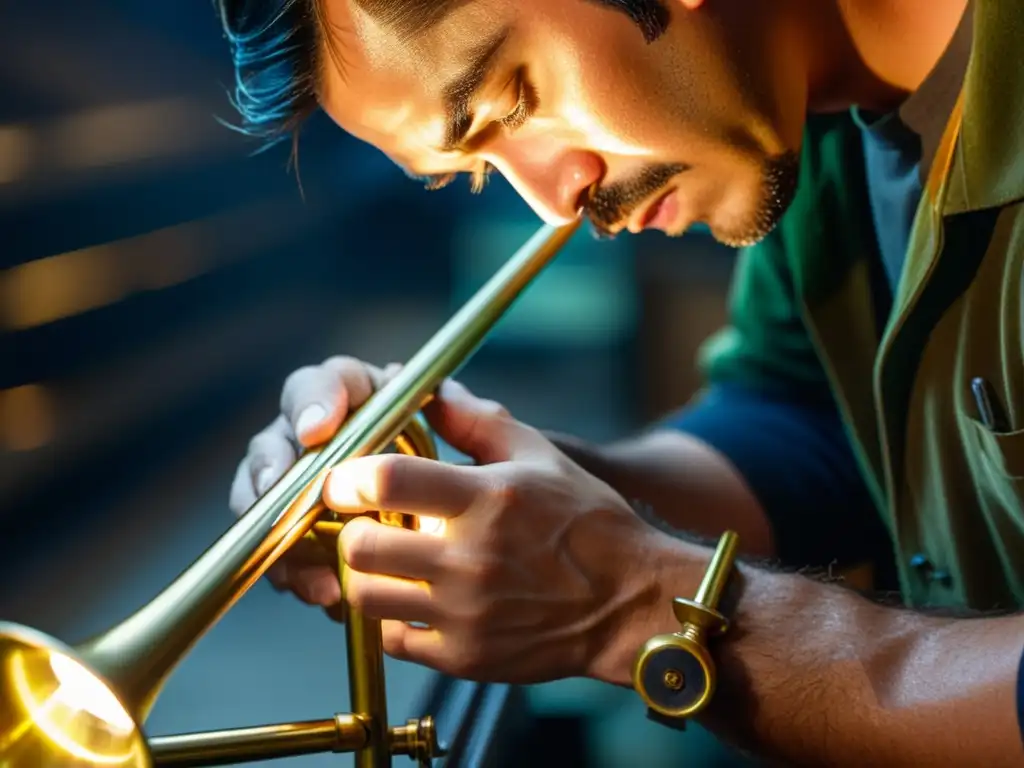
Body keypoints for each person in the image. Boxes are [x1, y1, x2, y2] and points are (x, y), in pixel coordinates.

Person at [217, 0, 1024, 763]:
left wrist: (637, 604)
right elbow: (810, 422)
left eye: (510, 105)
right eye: (478, 170)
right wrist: (489, 501)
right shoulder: (812, 119)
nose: (556, 203)